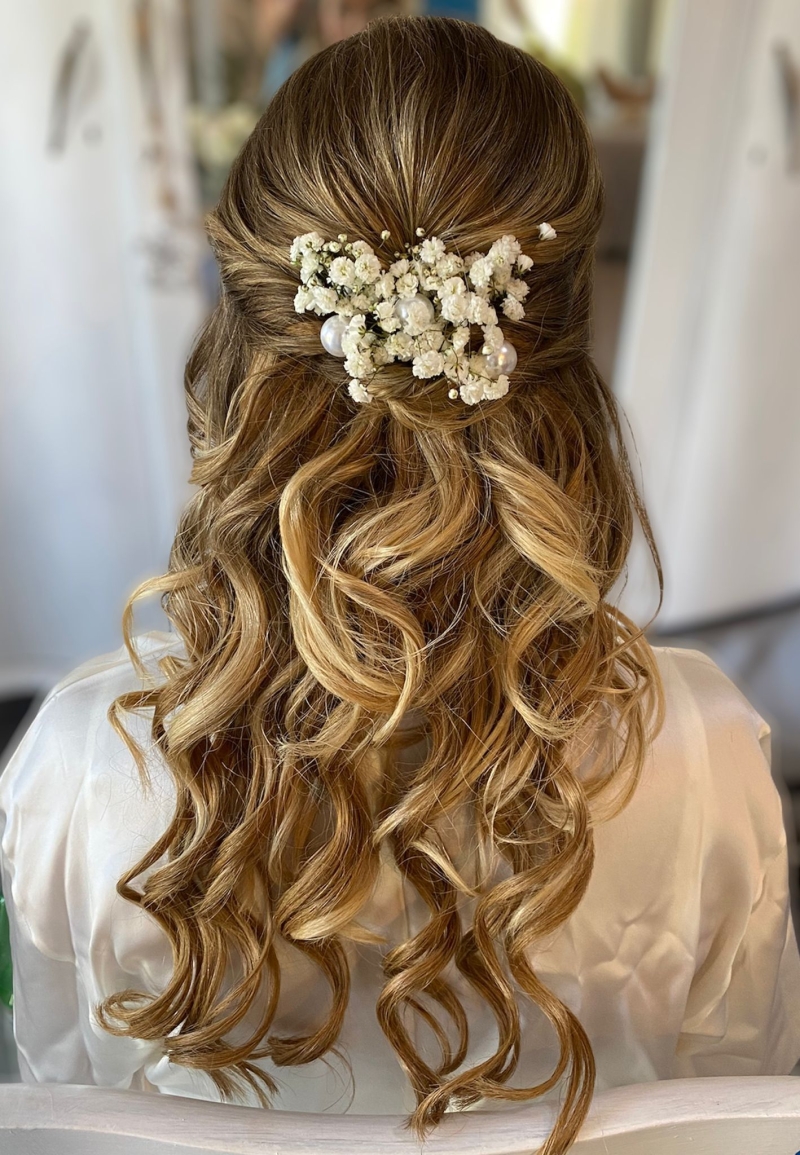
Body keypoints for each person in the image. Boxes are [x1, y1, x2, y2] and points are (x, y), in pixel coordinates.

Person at [1, 17, 798, 1155]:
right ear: (564, 340)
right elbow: (737, 1120)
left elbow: (68, 1117)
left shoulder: (85, 766)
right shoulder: (703, 756)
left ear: (243, 330)